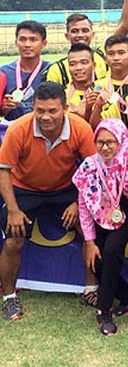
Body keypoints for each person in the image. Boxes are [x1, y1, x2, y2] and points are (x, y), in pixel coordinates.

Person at [0, 82, 95, 321]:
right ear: (32, 107)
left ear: (64, 108)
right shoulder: (18, 129)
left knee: (89, 229)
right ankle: (9, 298)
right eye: (40, 110)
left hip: (65, 187)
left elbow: (93, 170)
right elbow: (3, 171)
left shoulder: (80, 128)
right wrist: (12, 209)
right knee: (14, 239)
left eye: (52, 110)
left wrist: (78, 203)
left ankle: (92, 290)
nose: (45, 116)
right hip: (25, 188)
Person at [73, 119, 128, 336]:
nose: (105, 147)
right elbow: (84, 204)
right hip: (99, 209)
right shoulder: (89, 165)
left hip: (127, 207)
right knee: (96, 259)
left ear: (120, 140)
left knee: (112, 251)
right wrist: (90, 241)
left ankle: (104, 312)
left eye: (110, 142)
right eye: (100, 142)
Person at [44, 0, 128, 86]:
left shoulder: (104, 55)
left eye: (85, 30)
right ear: (67, 36)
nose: (80, 35)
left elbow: (125, 25)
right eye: (75, 31)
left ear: (93, 34)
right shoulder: (57, 70)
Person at [1, 20, 49, 120]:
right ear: (16, 42)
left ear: (44, 43)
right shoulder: (3, 72)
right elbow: (1, 113)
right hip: (12, 131)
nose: (27, 44)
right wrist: (4, 108)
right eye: (22, 39)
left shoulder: (51, 70)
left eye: (33, 40)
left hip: (43, 130)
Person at [92, 35, 128, 115]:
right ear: (105, 59)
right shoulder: (97, 86)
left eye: (121, 53)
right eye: (111, 54)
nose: (116, 58)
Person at [64, 42, 96, 121]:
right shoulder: (63, 96)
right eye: (72, 64)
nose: (78, 67)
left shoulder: (103, 91)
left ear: (94, 65)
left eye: (84, 63)